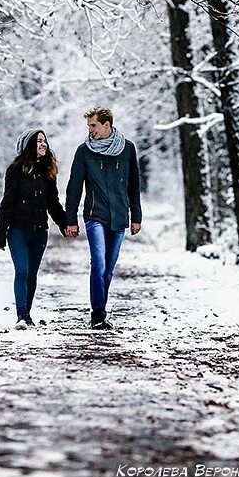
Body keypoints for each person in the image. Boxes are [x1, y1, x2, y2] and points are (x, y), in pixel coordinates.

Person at [64, 106, 142, 330]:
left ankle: (101, 310)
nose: (90, 130)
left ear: (106, 125)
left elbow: (134, 186)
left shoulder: (127, 149)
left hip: (119, 217)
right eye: (89, 125)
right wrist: (71, 220)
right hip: (94, 215)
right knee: (98, 262)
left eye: (93, 125)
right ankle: (98, 313)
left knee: (109, 267)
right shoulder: (84, 151)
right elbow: (74, 188)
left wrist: (136, 216)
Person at [0, 129, 69, 330]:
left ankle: (27, 314)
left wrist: (64, 224)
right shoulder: (15, 170)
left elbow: (53, 203)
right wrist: (1, 233)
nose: (44, 144)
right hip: (17, 230)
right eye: (38, 141)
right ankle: (21, 316)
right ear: (29, 146)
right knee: (22, 270)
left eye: (44, 141)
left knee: (32, 274)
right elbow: (7, 202)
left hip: (39, 231)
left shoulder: (48, 172)